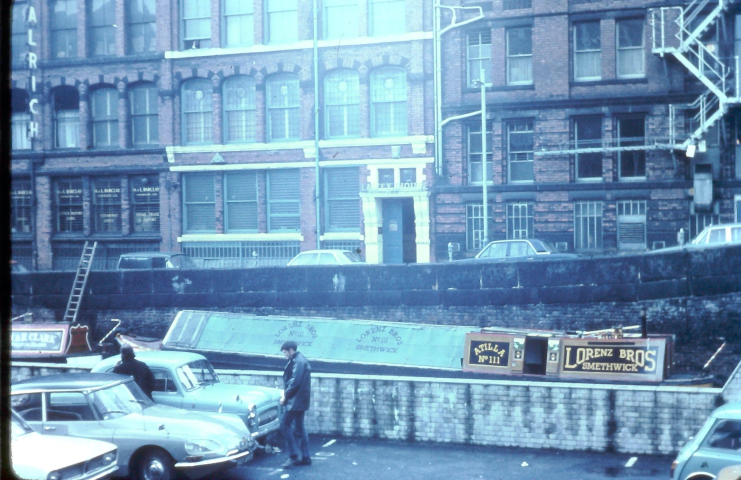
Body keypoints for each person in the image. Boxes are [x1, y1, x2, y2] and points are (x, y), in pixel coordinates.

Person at [279, 340, 312, 469]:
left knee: (284, 425)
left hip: (295, 402)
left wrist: (285, 396)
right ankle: (305, 457)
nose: (285, 355)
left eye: (285, 352)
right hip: (300, 401)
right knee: (300, 427)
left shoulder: (298, 362)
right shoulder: (299, 360)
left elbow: (294, 382)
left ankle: (293, 456)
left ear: (291, 350)